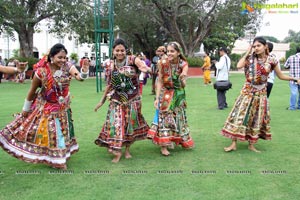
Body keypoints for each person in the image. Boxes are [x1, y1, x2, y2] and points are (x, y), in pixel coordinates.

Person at [0, 43, 90, 169]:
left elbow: (79, 77)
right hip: (47, 108)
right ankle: (58, 161)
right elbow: (31, 92)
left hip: (63, 107)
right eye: (60, 57)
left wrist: (84, 71)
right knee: (53, 132)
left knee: (62, 133)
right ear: (51, 57)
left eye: (65, 57)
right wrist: (25, 110)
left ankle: (58, 157)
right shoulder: (40, 72)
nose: (63, 60)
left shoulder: (67, 67)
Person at [221, 37, 300, 153]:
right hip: (247, 92)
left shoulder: (272, 60)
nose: (256, 48)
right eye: (254, 46)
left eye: (258, 46)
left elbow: (281, 75)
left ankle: (251, 144)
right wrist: (248, 51)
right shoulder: (250, 58)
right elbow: (239, 65)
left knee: (256, 118)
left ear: (265, 46)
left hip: (261, 93)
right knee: (239, 116)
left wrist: (295, 78)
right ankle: (233, 143)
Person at [94, 38, 151, 163]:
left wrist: (145, 69)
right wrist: (101, 101)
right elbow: (109, 84)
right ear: (113, 51)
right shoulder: (110, 64)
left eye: (122, 50)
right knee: (116, 124)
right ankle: (117, 151)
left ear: (126, 50)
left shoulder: (132, 59)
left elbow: (142, 66)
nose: (120, 53)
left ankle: (127, 150)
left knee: (128, 125)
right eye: (117, 50)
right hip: (116, 99)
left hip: (132, 99)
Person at [147, 41, 194, 156]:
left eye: (172, 51)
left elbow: (184, 76)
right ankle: (163, 146)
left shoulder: (183, 64)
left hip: (178, 94)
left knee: (178, 117)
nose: (169, 53)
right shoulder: (162, 62)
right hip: (166, 93)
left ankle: (173, 139)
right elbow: (160, 81)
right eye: (168, 51)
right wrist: (157, 98)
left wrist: (183, 78)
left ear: (178, 53)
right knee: (164, 116)